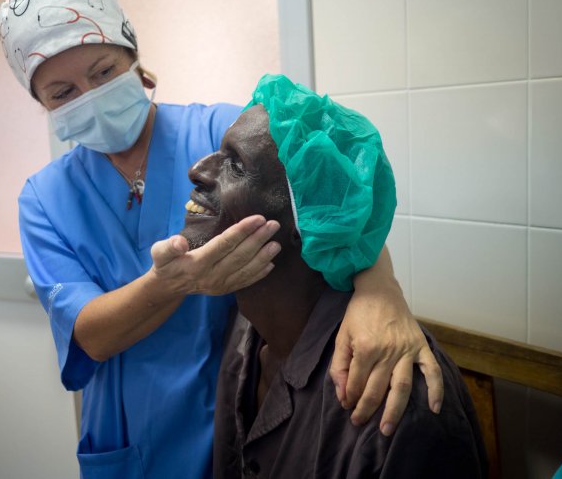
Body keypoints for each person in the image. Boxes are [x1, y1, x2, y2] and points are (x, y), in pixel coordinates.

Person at [0, 0, 444, 479]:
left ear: (133, 57)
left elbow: (335, 200)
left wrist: (379, 291)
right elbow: (89, 337)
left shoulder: (220, 133)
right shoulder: (44, 199)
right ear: (42, 105)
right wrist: (173, 284)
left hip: (242, 410)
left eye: (102, 73)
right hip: (132, 444)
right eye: (62, 93)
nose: (89, 96)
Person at [182, 74, 487, 478]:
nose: (198, 170)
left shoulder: (394, 407)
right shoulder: (245, 330)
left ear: (304, 223)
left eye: (235, 165)